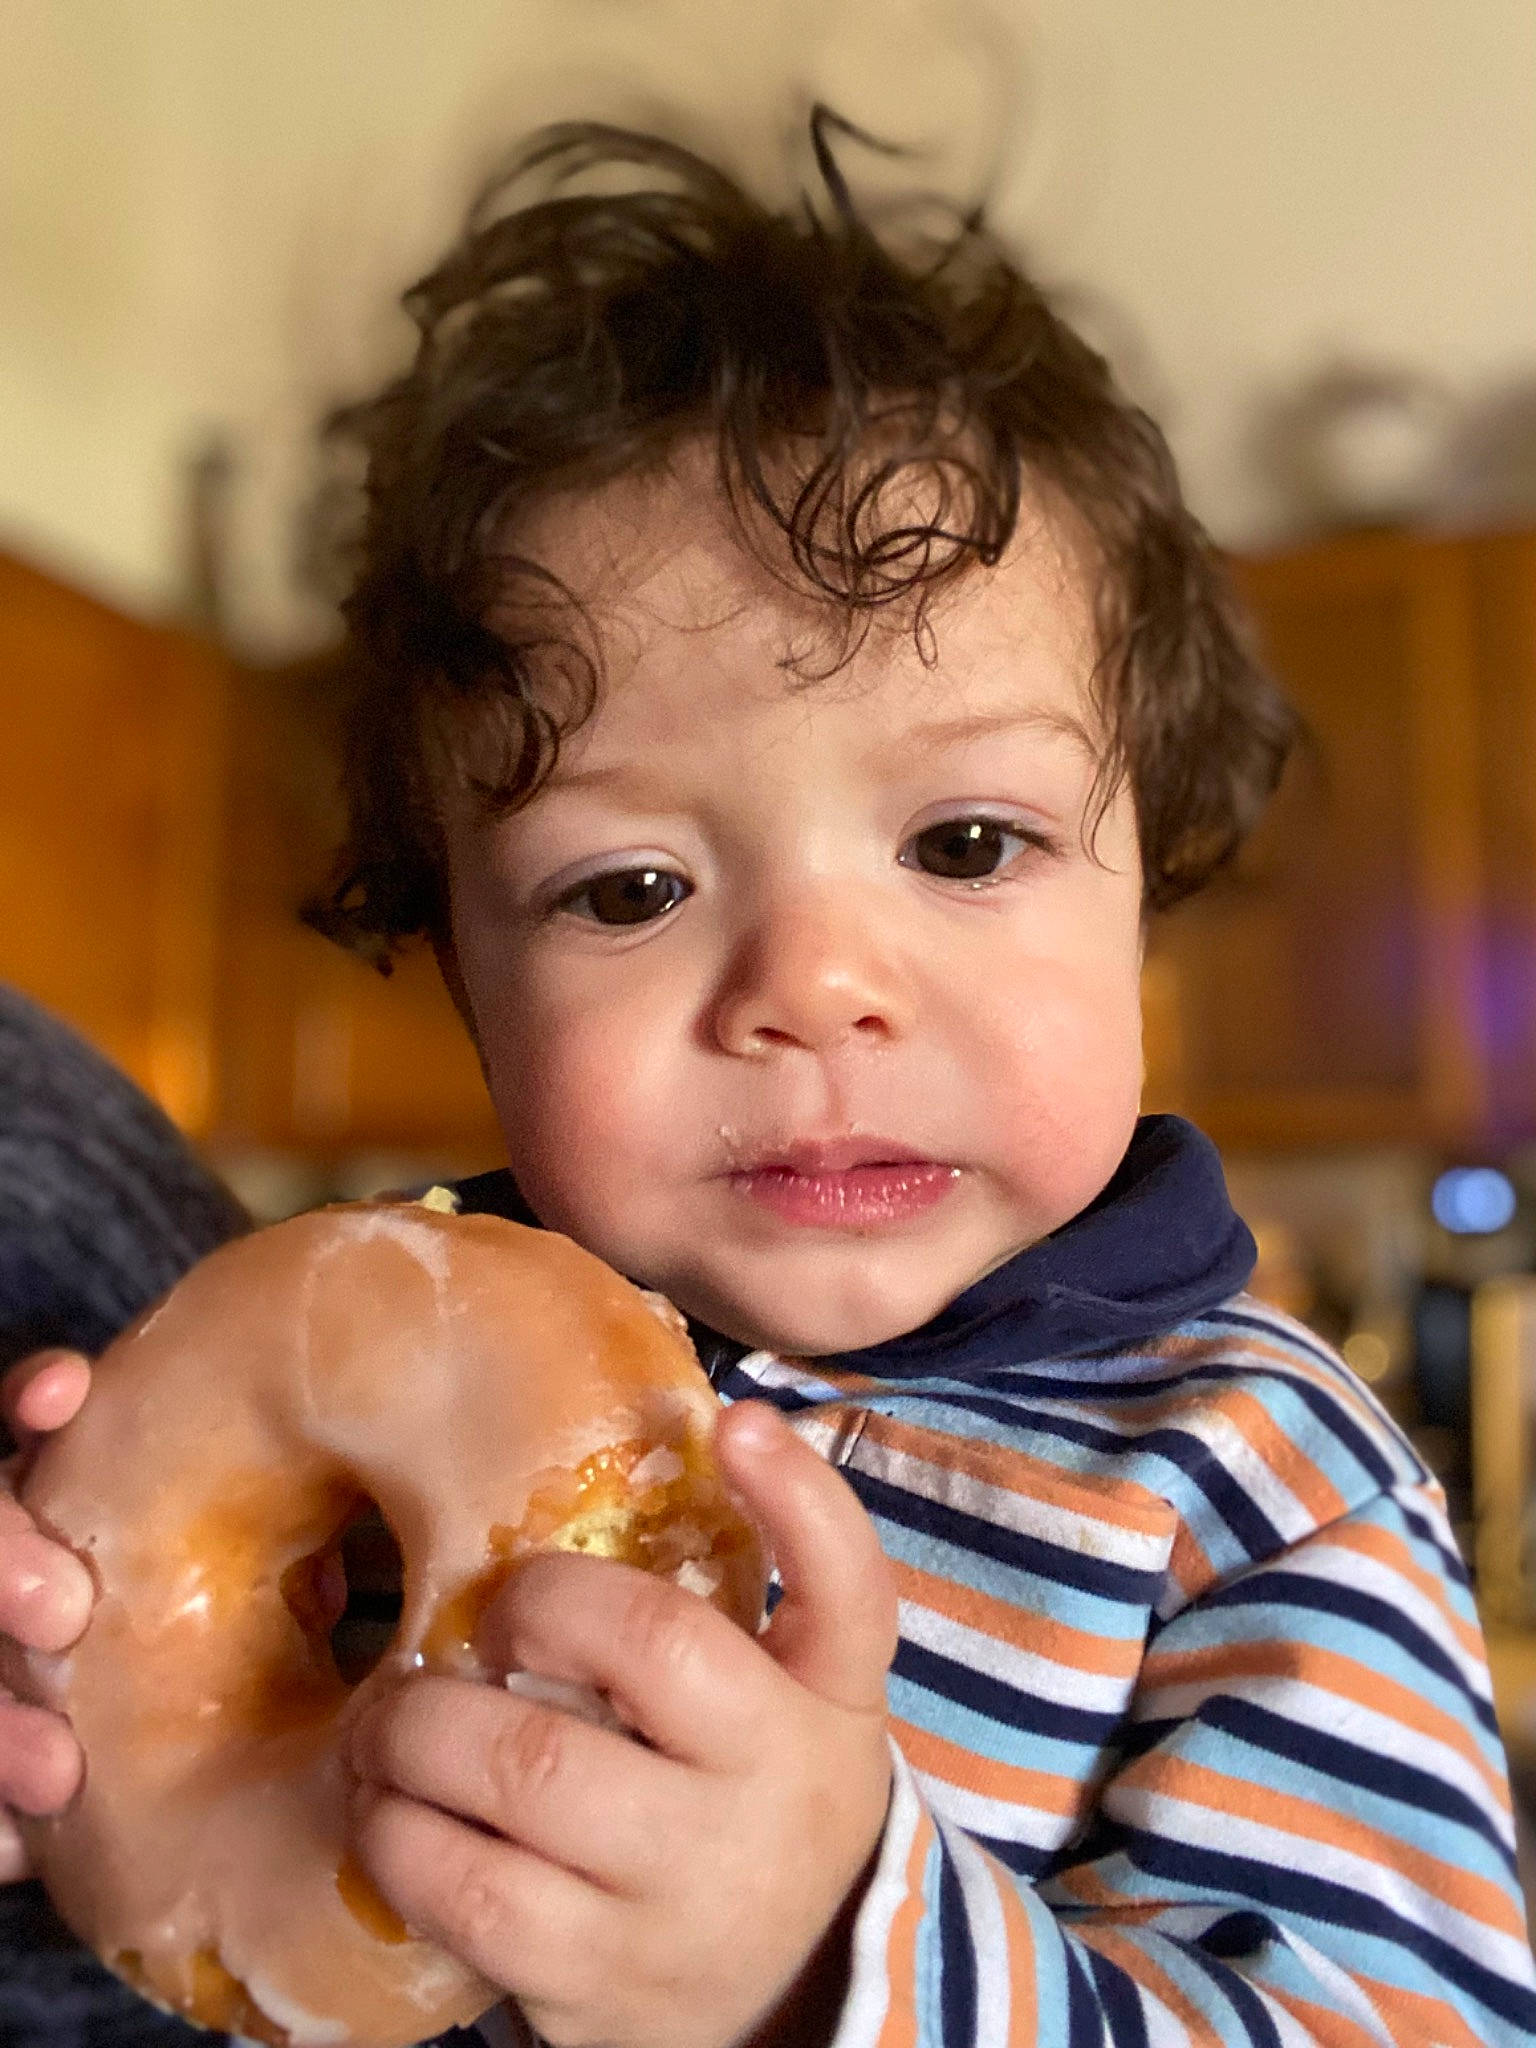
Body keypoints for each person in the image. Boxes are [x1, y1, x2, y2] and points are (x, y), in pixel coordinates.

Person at [4, 112, 1535, 2048]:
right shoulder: (371, 1392)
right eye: (630, 886)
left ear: (1152, 886)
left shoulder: (1249, 1483)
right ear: (463, 980)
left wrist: (823, 1959)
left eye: (968, 846)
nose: (813, 990)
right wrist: (76, 1666)